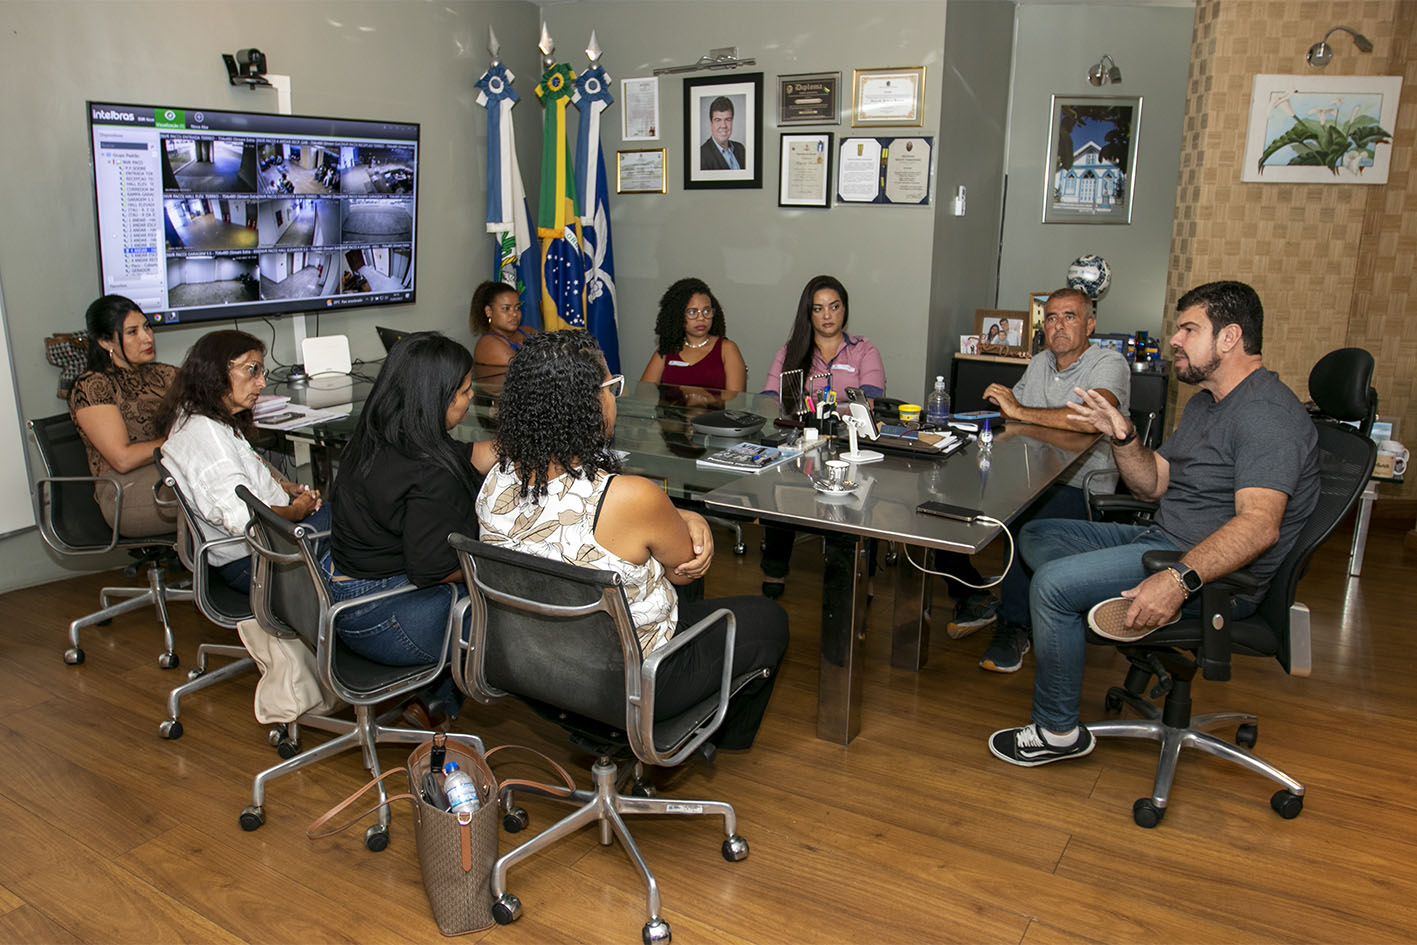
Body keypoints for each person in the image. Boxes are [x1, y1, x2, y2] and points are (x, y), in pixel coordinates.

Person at [988, 281, 1320, 766]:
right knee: (1037, 534)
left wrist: (1176, 580)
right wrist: (1122, 436)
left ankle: (1057, 731)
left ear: (1229, 338)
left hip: (1210, 578)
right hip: (1161, 539)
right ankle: (1104, 601)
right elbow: (1153, 484)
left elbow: (1260, 527)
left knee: (1054, 587)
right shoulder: (1210, 401)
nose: (1175, 341)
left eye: (1189, 329)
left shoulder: (1267, 416)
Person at [477, 329, 788, 750]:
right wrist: (689, 519)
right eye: (612, 387)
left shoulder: (497, 478)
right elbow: (683, 569)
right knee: (768, 620)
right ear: (587, 402)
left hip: (533, 669)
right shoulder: (631, 496)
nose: (615, 398)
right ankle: (709, 739)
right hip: (627, 683)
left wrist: (677, 514)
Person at [950, 287, 1130, 673]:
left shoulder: (1109, 363)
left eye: (1070, 316)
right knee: (946, 496)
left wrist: (1019, 410)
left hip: (1079, 485)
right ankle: (972, 594)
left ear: (1090, 325)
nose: (1059, 325)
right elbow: (1013, 411)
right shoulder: (1040, 363)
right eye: (1051, 318)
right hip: (1028, 474)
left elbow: (1087, 418)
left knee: (1024, 522)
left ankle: (1015, 626)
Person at [330, 332, 497, 726]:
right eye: (463, 391)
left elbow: (469, 454)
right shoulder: (431, 473)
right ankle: (438, 701)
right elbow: (431, 570)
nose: (470, 398)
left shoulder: (380, 433)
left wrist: (527, 442)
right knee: (500, 603)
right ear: (434, 397)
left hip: (340, 594)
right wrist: (500, 564)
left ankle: (433, 703)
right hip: (377, 616)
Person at [159, 331, 324, 593]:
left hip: (261, 551)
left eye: (262, 372)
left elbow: (237, 480)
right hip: (260, 561)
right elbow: (247, 519)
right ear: (216, 371)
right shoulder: (208, 435)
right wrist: (298, 511)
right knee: (364, 517)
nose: (261, 383)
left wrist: (283, 487)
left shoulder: (198, 417)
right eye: (252, 370)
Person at [760, 275, 886, 597]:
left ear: (845, 309)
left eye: (834, 307)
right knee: (780, 484)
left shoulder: (863, 349)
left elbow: (869, 402)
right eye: (818, 309)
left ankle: (862, 577)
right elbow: (770, 400)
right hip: (802, 442)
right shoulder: (791, 352)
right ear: (809, 313)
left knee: (862, 499)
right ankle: (775, 571)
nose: (827, 315)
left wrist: (826, 411)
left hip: (849, 443)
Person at [67, 295, 178, 537]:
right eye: (132, 332)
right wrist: (182, 441)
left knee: (239, 482)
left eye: (147, 327)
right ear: (106, 342)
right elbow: (123, 459)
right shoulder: (92, 385)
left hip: (171, 472)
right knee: (217, 494)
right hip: (124, 490)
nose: (147, 337)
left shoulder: (163, 374)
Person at [639, 277, 747, 394]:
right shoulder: (667, 350)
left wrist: (704, 398)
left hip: (713, 413)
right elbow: (643, 395)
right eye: (692, 312)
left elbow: (736, 402)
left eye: (706, 311)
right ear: (678, 315)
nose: (701, 318)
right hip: (672, 412)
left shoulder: (727, 349)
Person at [470, 280, 537, 381]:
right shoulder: (488, 343)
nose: (514, 314)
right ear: (489, 312)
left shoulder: (527, 330)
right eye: (506, 308)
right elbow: (528, 370)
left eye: (517, 307)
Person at [699, 96, 746, 171]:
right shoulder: (701, 156)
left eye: (728, 119)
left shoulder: (740, 149)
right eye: (718, 120)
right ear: (711, 124)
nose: (723, 125)